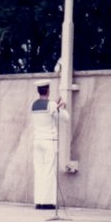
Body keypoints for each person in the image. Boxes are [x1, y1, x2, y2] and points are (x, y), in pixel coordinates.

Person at [31, 79, 69, 210]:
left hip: (37, 141)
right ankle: (47, 202)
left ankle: (39, 201)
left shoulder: (33, 104)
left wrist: (55, 106)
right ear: (48, 90)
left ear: (39, 91)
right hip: (49, 141)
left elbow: (46, 115)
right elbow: (65, 119)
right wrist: (62, 107)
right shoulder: (51, 104)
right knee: (49, 171)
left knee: (39, 171)